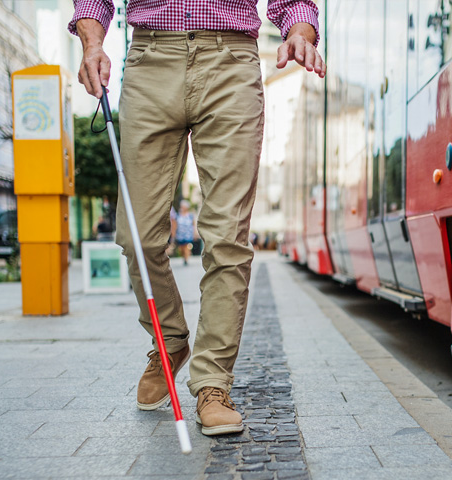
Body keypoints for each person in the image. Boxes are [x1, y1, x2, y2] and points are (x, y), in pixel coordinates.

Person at [69, 0, 324, 436]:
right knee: (137, 237)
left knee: (227, 237)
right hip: (150, 61)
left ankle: (212, 383)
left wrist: (299, 30)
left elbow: (294, 2)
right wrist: (93, 42)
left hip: (231, 62)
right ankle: (168, 339)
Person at [172, 200, 198, 266]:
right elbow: (175, 224)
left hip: (188, 234)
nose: (182, 207)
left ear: (186, 207)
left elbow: (194, 225)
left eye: (183, 206)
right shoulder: (178, 215)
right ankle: (184, 257)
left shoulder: (190, 215)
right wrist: (174, 233)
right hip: (180, 234)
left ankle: (186, 259)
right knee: (181, 248)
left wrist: (195, 233)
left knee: (186, 246)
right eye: (181, 206)